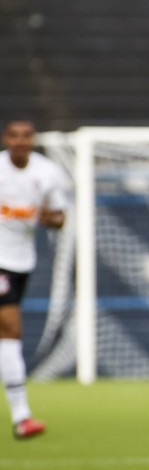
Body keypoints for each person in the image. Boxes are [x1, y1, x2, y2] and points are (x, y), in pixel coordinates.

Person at [0, 119, 68, 439]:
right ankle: (22, 416)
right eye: (14, 135)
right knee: (10, 329)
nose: (19, 141)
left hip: (22, 263)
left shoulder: (47, 173)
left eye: (26, 135)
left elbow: (59, 218)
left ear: (33, 140)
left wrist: (44, 216)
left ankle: (21, 417)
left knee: (7, 336)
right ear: (6, 139)